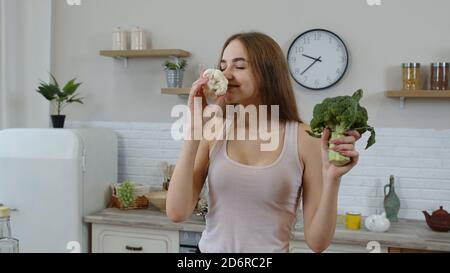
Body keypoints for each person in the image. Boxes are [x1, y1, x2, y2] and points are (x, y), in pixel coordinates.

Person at [166, 32, 361, 253]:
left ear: (269, 73)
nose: (226, 75)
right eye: (223, 66)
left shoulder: (305, 138)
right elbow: (176, 212)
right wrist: (194, 131)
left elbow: (317, 243)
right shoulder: (215, 130)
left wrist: (332, 180)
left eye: (239, 67)